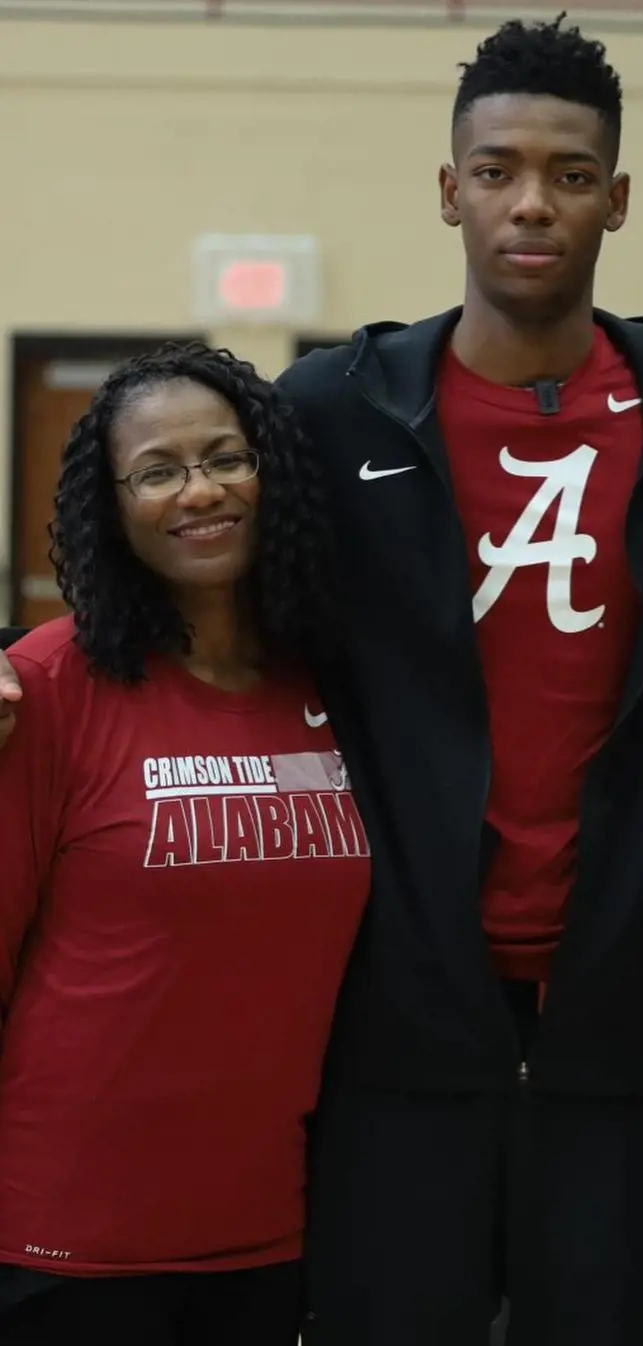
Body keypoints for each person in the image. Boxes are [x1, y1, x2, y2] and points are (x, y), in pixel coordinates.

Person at [0, 18, 643, 1345]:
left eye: (572, 174)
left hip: (628, 1040)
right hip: (394, 1043)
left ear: (620, 199)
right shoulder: (331, 411)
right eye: (498, 168)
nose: (533, 200)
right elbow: (197, 574)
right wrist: (26, 675)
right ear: (448, 187)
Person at [0, 343, 371, 1345]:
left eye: (225, 457)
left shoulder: (333, 685)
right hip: (66, 1233)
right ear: (113, 506)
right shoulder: (47, 690)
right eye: (158, 470)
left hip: (265, 1228)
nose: (199, 490)